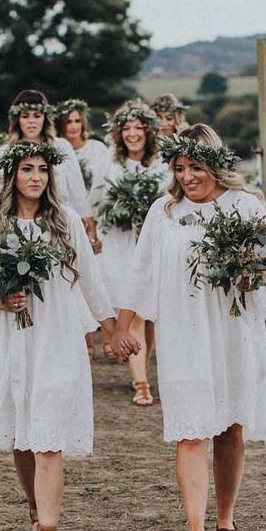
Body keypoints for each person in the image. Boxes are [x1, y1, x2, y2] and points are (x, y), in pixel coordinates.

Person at [113, 124, 266, 531]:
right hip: (184, 331)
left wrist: (255, 274)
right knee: (190, 429)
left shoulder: (244, 206)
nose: (187, 176)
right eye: (179, 168)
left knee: (230, 428)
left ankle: (225, 520)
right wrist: (123, 326)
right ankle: (194, 530)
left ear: (214, 163)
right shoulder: (164, 211)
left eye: (195, 166)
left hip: (233, 330)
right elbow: (141, 271)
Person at [0, 141, 117, 531]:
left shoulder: (65, 221)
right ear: (11, 175)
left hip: (57, 338)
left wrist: (112, 327)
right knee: (24, 436)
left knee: (49, 437)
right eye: (27, 169)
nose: (36, 177)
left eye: (43, 170)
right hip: (11, 340)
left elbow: (90, 277)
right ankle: (34, 509)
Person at [99, 100, 168, 405]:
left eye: (138, 127)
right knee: (135, 313)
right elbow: (101, 203)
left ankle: (141, 369)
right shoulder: (113, 165)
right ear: (118, 133)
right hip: (120, 243)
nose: (132, 133)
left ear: (148, 131)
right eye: (126, 128)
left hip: (152, 243)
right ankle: (141, 382)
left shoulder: (162, 165)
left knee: (150, 317)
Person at [0, 89, 94, 229]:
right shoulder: (2, 153)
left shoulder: (62, 147)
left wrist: (88, 227)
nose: (31, 122)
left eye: (37, 115)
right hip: (15, 229)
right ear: (17, 120)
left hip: (58, 224)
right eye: (25, 116)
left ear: (44, 118)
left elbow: (77, 191)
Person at [55, 97, 110, 359]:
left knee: (97, 277)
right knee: (73, 276)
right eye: (68, 121)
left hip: (94, 218)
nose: (73, 126)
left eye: (77, 121)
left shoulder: (97, 149)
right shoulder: (59, 150)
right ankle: (86, 339)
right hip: (68, 220)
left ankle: (108, 334)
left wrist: (93, 223)